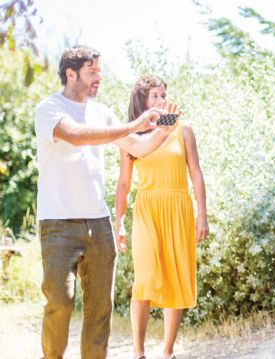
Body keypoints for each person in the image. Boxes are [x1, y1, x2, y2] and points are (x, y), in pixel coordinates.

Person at [34, 45, 176, 359]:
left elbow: (137, 147)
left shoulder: (103, 112)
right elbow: (76, 135)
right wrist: (135, 124)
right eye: (92, 72)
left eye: (100, 71)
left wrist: (162, 131)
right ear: (71, 74)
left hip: (98, 224)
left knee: (100, 310)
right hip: (57, 223)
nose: (99, 78)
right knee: (60, 302)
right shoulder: (49, 108)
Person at [114, 74, 208, 359]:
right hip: (147, 209)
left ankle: (167, 351)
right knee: (145, 278)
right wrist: (119, 222)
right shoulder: (131, 135)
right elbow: (123, 183)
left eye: (163, 94)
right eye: (154, 95)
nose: (160, 100)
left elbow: (196, 172)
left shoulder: (183, 128)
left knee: (176, 276)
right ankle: (138, 352)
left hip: (179, 207)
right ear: (142, 100)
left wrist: (202, 214)